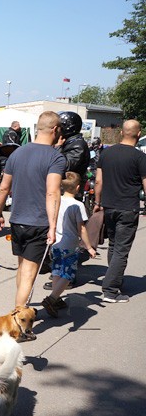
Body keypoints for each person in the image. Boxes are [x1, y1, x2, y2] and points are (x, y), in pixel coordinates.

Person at [0, 111, 66, 327]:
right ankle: (18, 322)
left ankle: (20, 308)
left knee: (22, 267)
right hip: (38, 222)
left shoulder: (17, 153)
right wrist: (53, 226)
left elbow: (4, 187)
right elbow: (52, 192)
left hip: (17, 220)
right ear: (55, 129)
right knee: (28, 274)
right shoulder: (55, 157)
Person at [93, 119, 146, 304]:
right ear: (138, 134)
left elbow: (98, 181)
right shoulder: (140, 157)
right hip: (128, 207)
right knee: (121, 250)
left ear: (122, 132)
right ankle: (111, 290)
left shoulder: (106, 153)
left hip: (108, 206)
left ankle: (115, 278)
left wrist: (97, 202)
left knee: (114, 245)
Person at [41, 172, 97, 318]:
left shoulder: (56, 201)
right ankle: (52, 299)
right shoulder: (78, 205)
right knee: (68, 273)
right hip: (70, 243)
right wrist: (89, 247)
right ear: (78, 187)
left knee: (57, 270)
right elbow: (81, 229)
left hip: (55, 242)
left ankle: (56, 298)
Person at [56, 111, 90, 191]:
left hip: (70, 190)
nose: (58, 129)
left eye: (61, 126)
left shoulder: (78, 145)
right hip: (63, 187)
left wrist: (57, 147)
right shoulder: (67, 142)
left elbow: (66, 165)